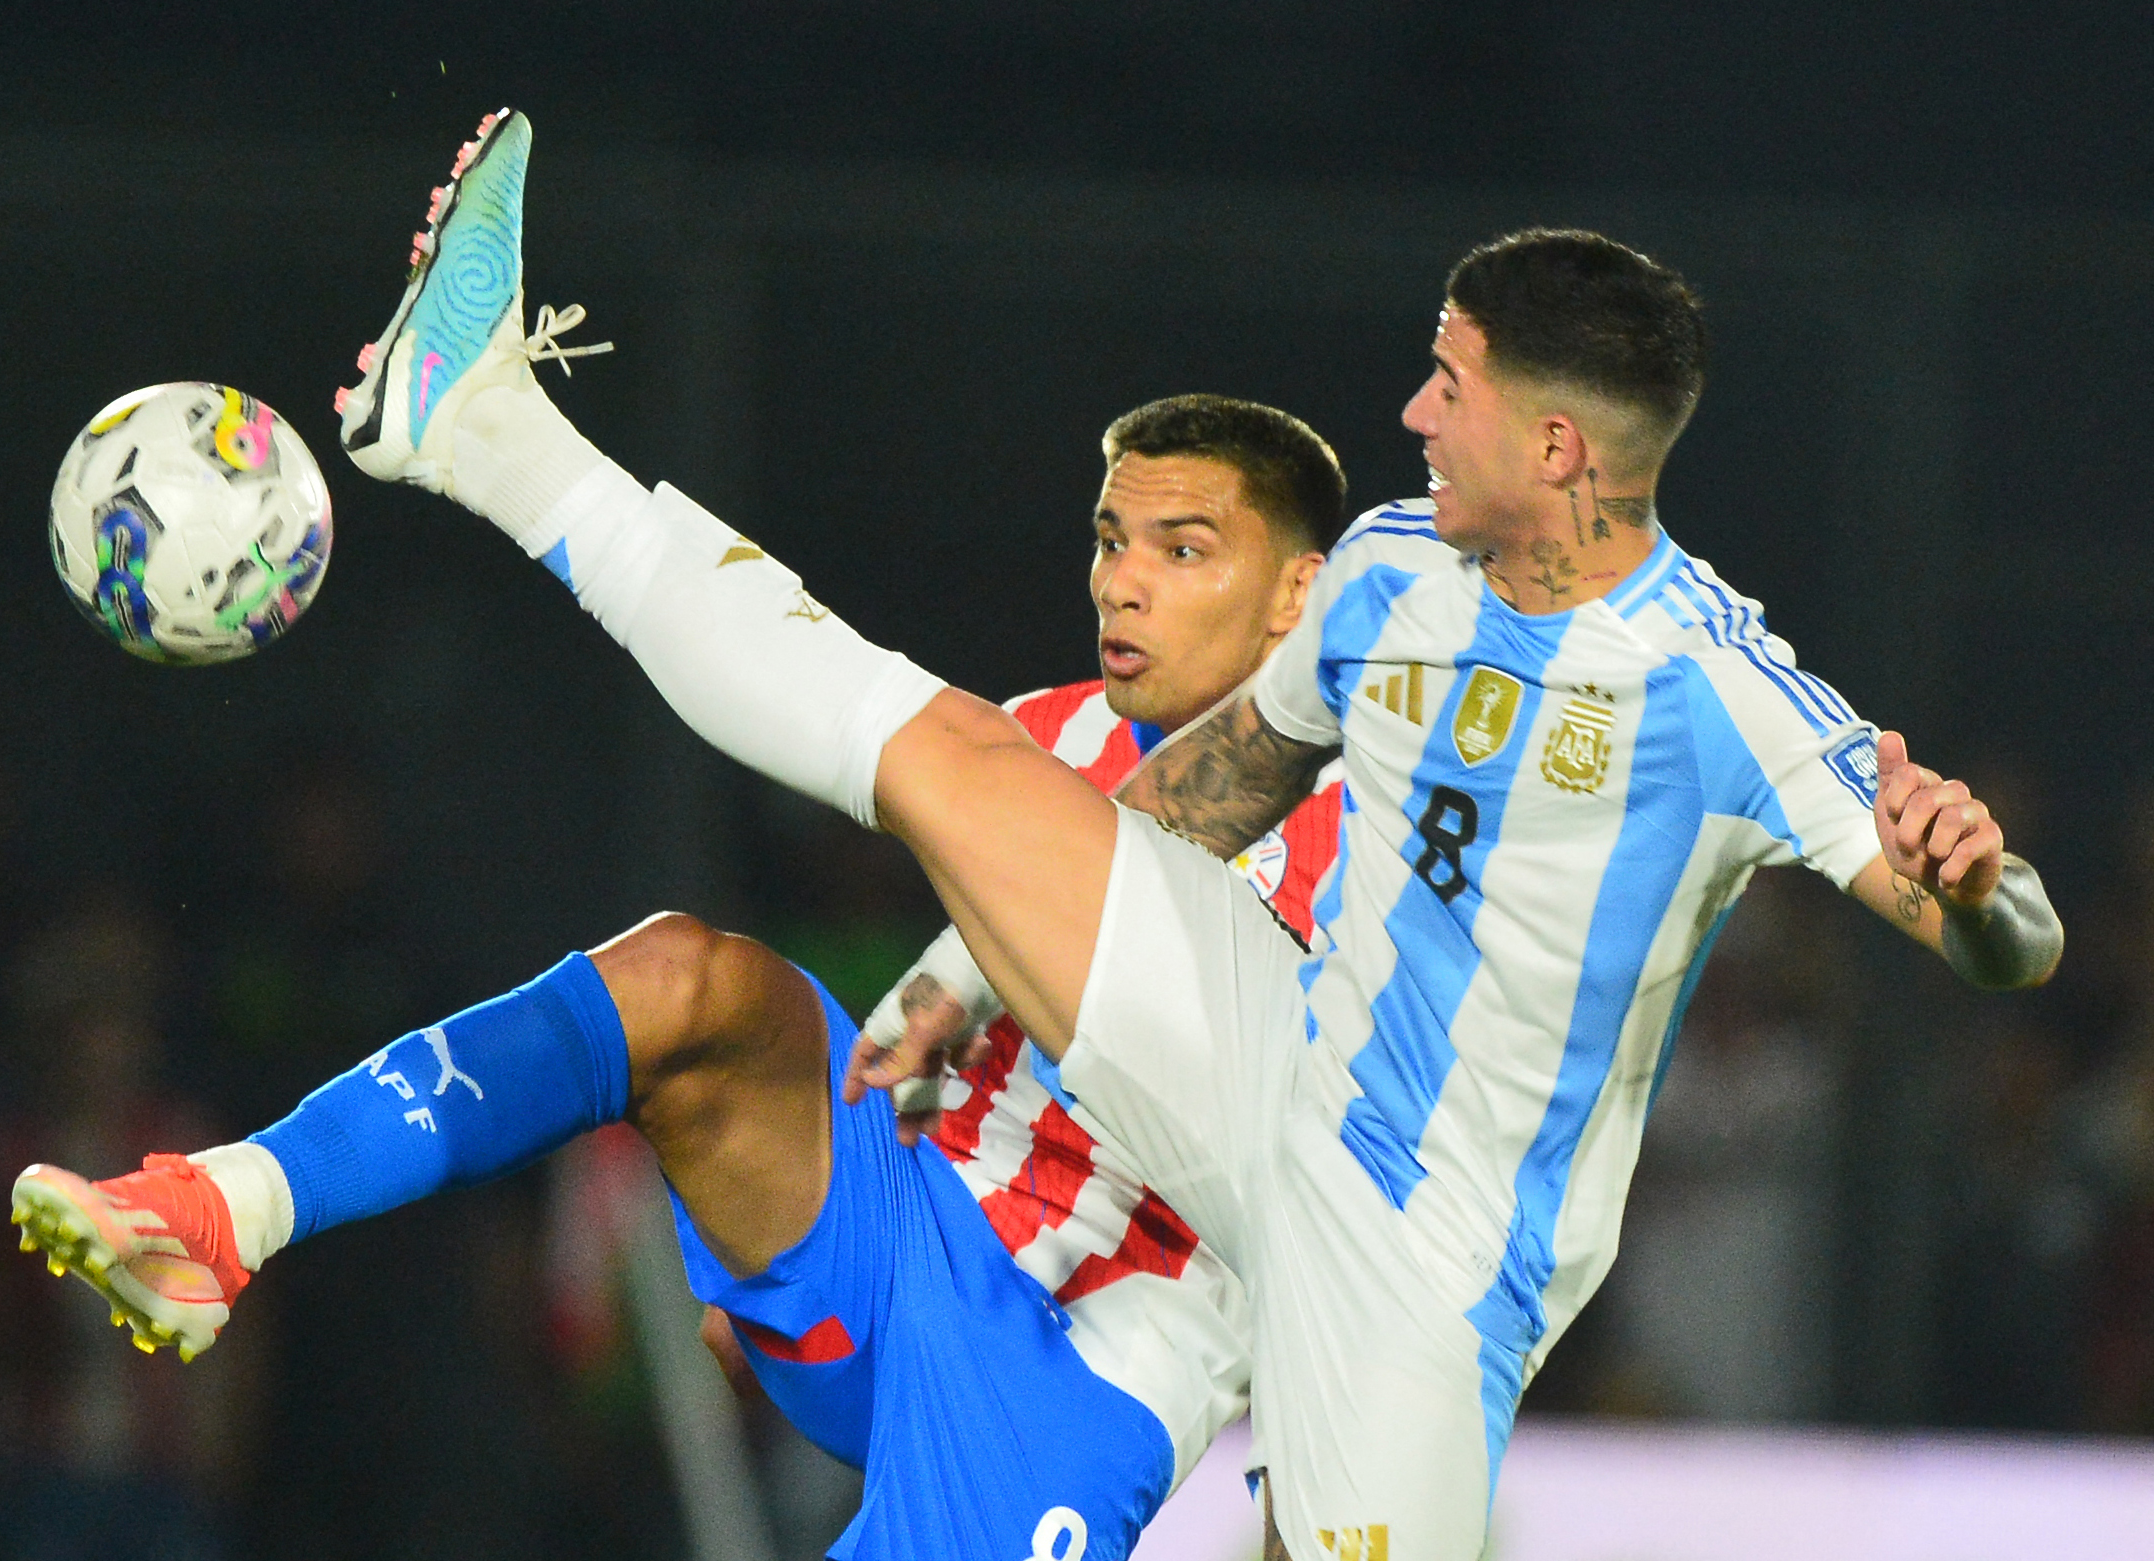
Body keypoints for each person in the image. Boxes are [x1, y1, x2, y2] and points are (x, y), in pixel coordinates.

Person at [317, 108, 2066, 1559]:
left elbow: (2003, 941)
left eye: (1445, 384)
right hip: (1274, 1064)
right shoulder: (1391, 564)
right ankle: (487, 429)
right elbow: (1216, 781)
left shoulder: (1719, 685)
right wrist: (963, 971)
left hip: (1423, 1266)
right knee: (940, 750)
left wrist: (1977, 880)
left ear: (1555, 442)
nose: (1410, 411)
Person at [14, 310, 1349, 1561]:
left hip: (1092, 1358)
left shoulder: (1390, 853)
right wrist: (774, 1177)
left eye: (1180, 550)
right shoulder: (1039, 737)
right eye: (1111, 538)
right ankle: (223, 1205)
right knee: (688, 975)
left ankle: (490, 432)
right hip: (897, 1228)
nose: (1122, 583)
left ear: (1298, 596)